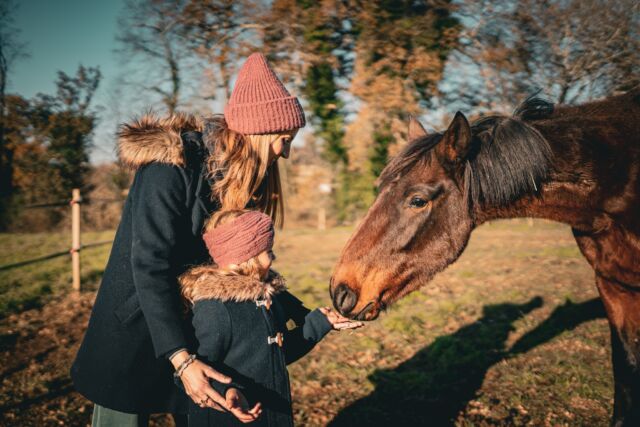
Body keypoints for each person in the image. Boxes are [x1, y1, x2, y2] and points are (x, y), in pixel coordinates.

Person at [71, 52, 306, 426]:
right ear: (260, 132)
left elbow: (242, 267)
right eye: (284, 139)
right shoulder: (171, 167)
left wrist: (303, 313)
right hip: (141, 324)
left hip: (197, 330)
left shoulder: (240, 180)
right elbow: (149, 265)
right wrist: (180, 357)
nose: (287, 152)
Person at [178, 209, 363, 426]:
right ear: (244, 256)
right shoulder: (215, 310)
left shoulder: (264, 298)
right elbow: (192, 373)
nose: (273, 258)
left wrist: (321, 322)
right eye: (268, 251)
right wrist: (227, 391)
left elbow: (277, 356)